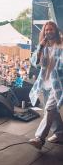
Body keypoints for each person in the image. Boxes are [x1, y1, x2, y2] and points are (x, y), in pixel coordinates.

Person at [29, 21, 63, 149]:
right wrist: (40, 48)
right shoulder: (43, 46)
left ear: (56, 30)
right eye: (46, 30)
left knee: (49, 110)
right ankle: (60, 133)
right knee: (51, 111)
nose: (49, 31)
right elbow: (35, 63)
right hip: (46, 83)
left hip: (59, 84)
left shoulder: (61, 44)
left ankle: (39, 138)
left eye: (51, 29)